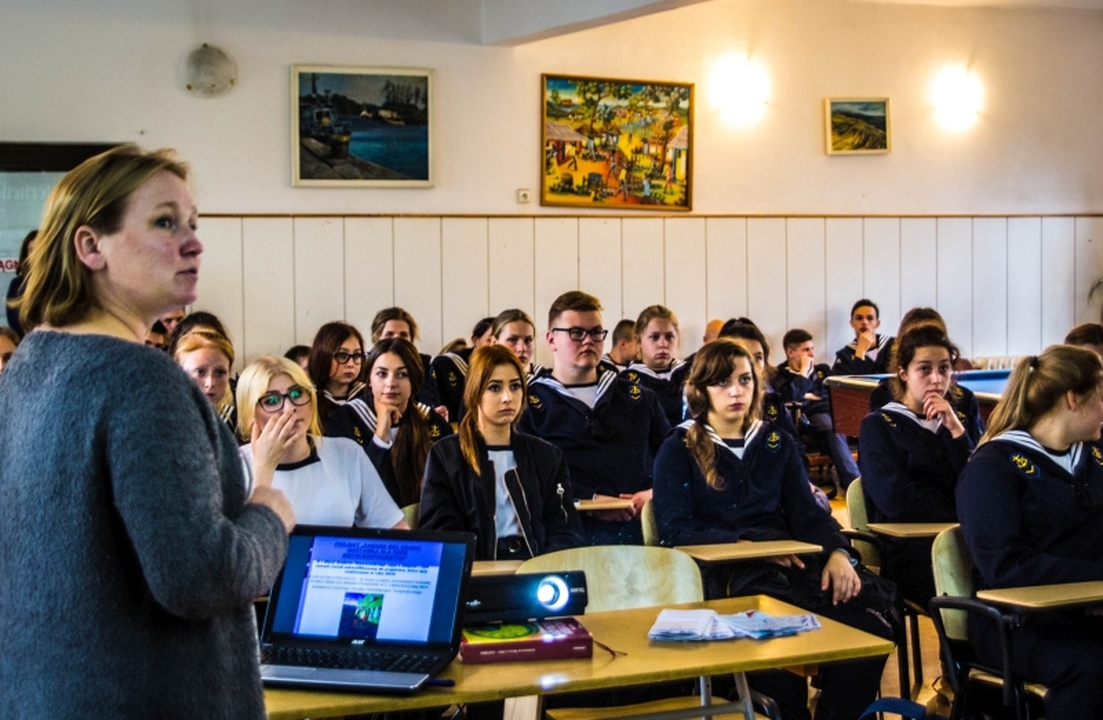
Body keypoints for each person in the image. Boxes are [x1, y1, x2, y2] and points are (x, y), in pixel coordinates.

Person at [0, 145, 295, 718]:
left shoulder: (30, 364)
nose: (193, 243)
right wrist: (268, 515)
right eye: (164, 222)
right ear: (91, 247)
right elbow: (200, 576)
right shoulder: (141, 379)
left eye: (193, 224)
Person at [652, 338, 894, 720]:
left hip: (792, 569)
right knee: (779, 660)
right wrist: (752, 547)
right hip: (726, 578)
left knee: (873, 629)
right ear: (701, 390)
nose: (736, 391)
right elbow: (676, 531)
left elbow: (808, 514)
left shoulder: (775, 440)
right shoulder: (680, 446)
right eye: (722, 382)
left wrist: (837, 553)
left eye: (745, 380)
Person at [956, 345, 1103, 720]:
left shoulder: (1094, 456)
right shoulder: (993, 466)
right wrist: (1094, 582)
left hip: (1086, 607)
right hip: (1015, 621)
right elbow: (1006, 567)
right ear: (1073, 399)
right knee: (1090, 666)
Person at [518, 291, 670, 545]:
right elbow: (527, 477)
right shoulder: (529, 405)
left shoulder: (639, 398)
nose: (588, 340)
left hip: (640, 531)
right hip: (569, 533)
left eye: (596, 332)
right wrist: (590, 500)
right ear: (551, 339)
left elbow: (673, 459)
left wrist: (654, 493)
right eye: (576, 333)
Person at [420, 345, 586, 559]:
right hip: (475, 572)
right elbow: (441, 531)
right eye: (495, 388)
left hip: (536, 571)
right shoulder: (446, 456)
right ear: (475, 392)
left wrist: (547, 566)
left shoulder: (547, 455)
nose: (508, 397)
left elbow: (565, 528)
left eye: (515, 386)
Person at [858, 323, 979, 606]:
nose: (936, 379)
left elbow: (978, 488)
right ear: (903, 373)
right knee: (974, 598)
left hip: (964, 539)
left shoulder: (956, 423)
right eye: (924, 369)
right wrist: (958, 510)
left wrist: (957, 432)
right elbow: (897, 501)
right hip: (910, 549)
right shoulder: (879, 425)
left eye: (944, 368)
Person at [238, 355, 406, 530]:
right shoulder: (232, 466)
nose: (289, 408)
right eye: (272, 400)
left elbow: (393, 526)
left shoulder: (347, 454)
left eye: (297, 393)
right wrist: (263, 467)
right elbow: (241, 540)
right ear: (250, 414)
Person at [326, 337, 452, 507]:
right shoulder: (345, 420)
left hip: (422, 519)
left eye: (402, 374)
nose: (391, 383)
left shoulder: (432, 422)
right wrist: (381, 435)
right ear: (369, 379)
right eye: (382, 374)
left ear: (414, 381)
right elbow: (354, 490)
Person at [771, 328, 860, 489]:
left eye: (812, 348)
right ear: (790, 352)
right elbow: (789, 397)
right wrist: (803, 374)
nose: (812, 354)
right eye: (806, 350)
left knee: (851, 424)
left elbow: (831, 394)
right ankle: (854, 482)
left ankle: (861, 480)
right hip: (805, 418)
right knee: (832, 429)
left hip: (831, 412)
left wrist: (805, 395)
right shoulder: (779, 375)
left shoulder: (822, 370)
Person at [625, 304, 690, 425]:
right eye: (655, 337)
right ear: (639, 341)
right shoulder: (626, 382)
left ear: (678, 339)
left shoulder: (691, 374)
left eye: (669, 337)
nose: (663, 344)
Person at [372, 306, 442, 412]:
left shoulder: (423, 365)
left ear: (411, 340)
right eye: (389, 334)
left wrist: (433, 412)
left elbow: (429, 399)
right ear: (377, 339)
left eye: (403, 335)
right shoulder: (365, 364)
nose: (396, 339)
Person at [175, 328, 238, 437]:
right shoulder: (166, 420)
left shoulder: (226, 423)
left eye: (220, 373)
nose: (210, 383)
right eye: (200, 372)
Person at [307, 320, 368, 428]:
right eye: (342, 355)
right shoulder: (308, 400)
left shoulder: (369, 395)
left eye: (357, 355)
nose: (351, 364)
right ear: (323, 357)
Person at [832, 299, 893, 375]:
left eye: (870, 318)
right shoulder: (844, 356)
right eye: (859, 318)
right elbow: (846, 381)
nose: (864, 322)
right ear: (852, 323)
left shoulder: (894, 345)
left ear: (877, 324)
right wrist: (860, 351)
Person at [491, 307, 542, 377]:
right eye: (512, 340)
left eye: (528, 340)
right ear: (494, 343)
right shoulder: (481, 379)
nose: (522, 349)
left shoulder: (546, 381)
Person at [5, 229, 35, 337]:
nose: (36, 254)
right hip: (27, 341)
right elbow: (14, 321)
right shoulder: (17, 285)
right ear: (26, 256)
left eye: (41, 248)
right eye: (31, 250)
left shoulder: (62, 283)